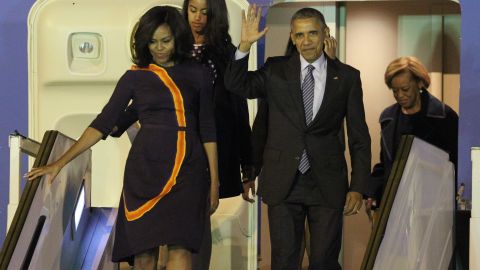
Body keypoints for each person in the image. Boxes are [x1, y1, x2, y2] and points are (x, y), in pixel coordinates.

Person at [26, 6, 219, 270]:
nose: (159, 48)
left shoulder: (198, 74)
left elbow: (208, 128)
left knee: (180, 247)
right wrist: (59, 162)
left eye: (166, 40)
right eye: (152, 41)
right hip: (145, 169)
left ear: (178, 39)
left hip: (188, 167)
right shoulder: (134, 77)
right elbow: (103, 123)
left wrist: (215, 182)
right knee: (143, 254)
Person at [225, 6, 371, 269]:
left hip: (327, 182)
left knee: (324, 261)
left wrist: (358, 185)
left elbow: (360, 137)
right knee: (283, 261)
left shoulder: (348, 77)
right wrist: (244, 45)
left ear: (325, 33)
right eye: (300, 35)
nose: (306, 41)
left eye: (312, 33)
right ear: (292, 37)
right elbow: (237, 85)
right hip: (284, 180)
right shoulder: (275, 70)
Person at [111, 0, 255, 269]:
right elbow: (151, 96)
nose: (198, 17)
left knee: (190, 236)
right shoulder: (166, 48)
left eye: (205, 11)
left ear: (216, 15)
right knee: (151, 239)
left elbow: (238, 109)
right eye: (193, 10)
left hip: (205, 149)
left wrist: (247, 166)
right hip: (165, 152)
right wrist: (113, 123)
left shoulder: (224, 54)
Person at [367, 56, 458, 210]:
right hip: (395, 205)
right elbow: (386, 164)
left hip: (433, 206)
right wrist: (372, 192)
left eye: (405, 89)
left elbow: (455, 163)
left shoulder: (444, 117)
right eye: (395, 91)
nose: (400, 95)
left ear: (420, 83)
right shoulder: (387, 118)